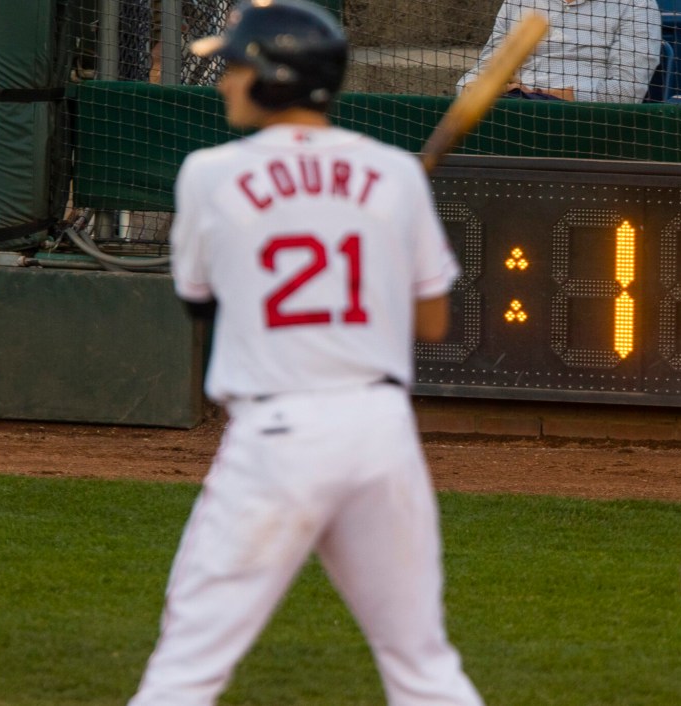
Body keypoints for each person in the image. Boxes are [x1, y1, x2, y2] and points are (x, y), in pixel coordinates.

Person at [127, 2, 484, 705]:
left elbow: (201, 302)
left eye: (235, 65)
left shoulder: (209, 173)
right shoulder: (392, 174)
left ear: (272, 77)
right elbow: (434, 321)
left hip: (277, 438)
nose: (225, 79)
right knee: (422, 667)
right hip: (380, 435)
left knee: (186, 667)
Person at [456, 0, 661, 103]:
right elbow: (480, 72)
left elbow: (627, 92)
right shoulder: (518, 1)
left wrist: (542, 96)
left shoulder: (636, 5)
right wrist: (472, 88)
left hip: (583, 122)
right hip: (514, 108)